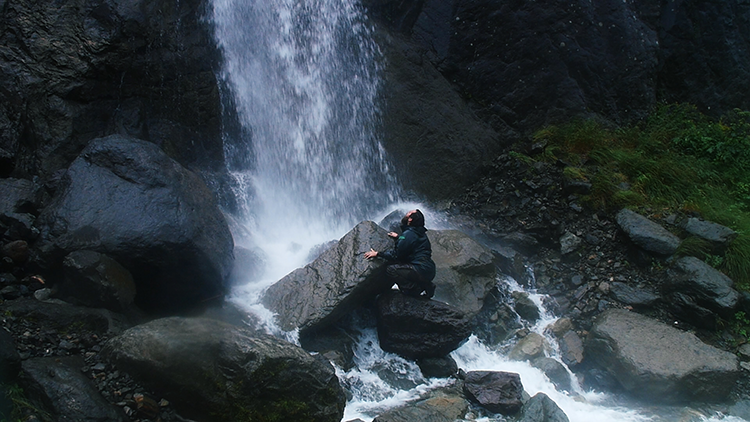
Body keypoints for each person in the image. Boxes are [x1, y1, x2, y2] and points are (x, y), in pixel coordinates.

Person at [364, 209, 437, 299]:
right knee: (403, 265)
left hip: (419, 269)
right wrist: (399, 237)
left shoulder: (408, 234)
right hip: (429, 269)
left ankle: (413, 290)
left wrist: (377, 253)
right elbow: (409, 241)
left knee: (391, 269)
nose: (406, 213)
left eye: (408, 213)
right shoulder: (420, 232)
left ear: (410, 219)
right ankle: (426, 284)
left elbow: (396, 255)